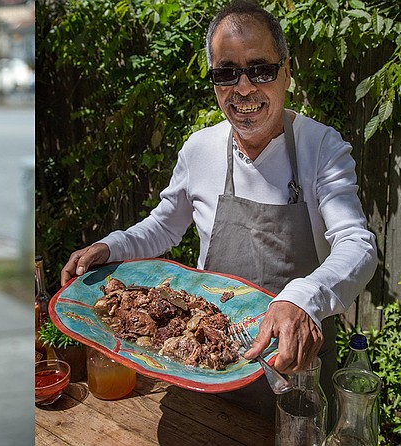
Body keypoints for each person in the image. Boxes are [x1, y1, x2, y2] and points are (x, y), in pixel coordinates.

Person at [61, 0, 377, 422]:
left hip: (296, 365)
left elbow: (358, 245)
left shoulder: (321, 147)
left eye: (260, 69)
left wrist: (303, 300)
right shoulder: (200, 150)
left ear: (286, 72)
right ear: (213, 82)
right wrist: (111, 246)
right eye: (227, 72)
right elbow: (163, 227)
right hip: (206, 363)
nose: (244, 88)